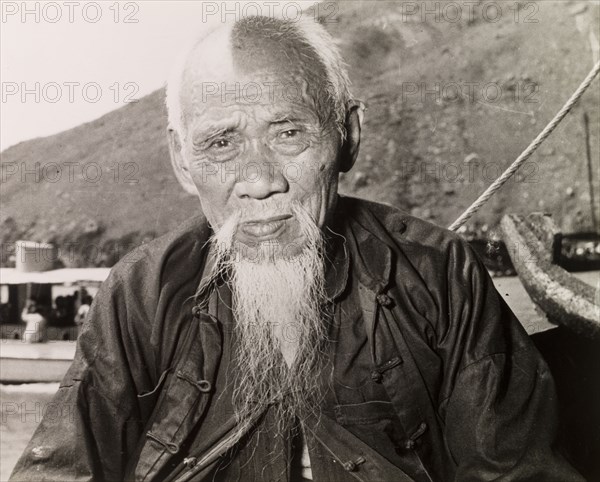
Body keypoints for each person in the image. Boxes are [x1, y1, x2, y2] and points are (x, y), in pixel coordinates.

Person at [11, 14, 583, 482]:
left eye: (288, 133)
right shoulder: (142, 293)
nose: (259, 180)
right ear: (182, 161)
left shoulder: (438, 275)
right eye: (221, 142)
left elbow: (514, 471)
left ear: (347, 137)